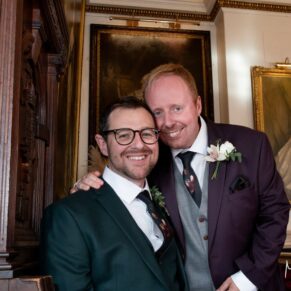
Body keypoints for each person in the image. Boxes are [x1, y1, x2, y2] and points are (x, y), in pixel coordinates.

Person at [71, 64, 290, 291]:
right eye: (157, 112)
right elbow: (118, 187)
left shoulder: (251, 144)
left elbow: (275, 214)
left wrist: (247, 278)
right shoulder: (148, 159)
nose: (167, 122)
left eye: (176, 108)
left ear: (197, 105)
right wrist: (87, 186)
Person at [40, 96, 189, 291]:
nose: (139, 144)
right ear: (102, 144)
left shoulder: (160, 203)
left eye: (147, 133)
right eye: (124, 135)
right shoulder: (67, 216)